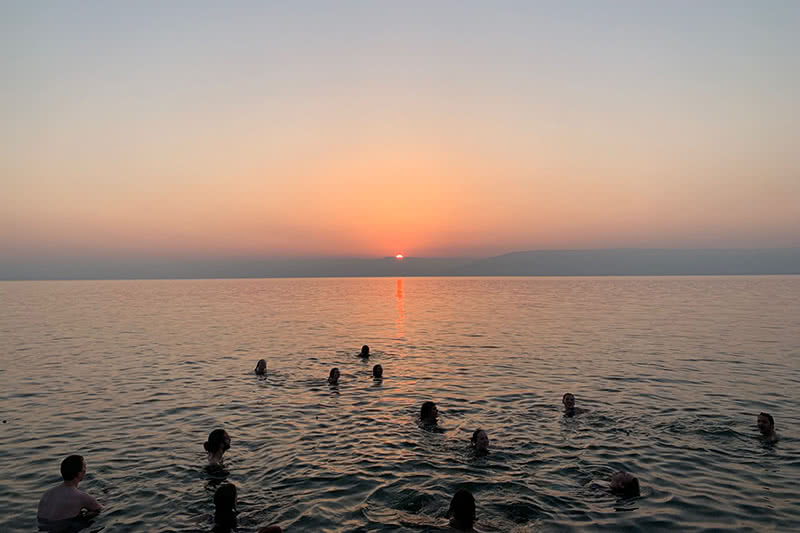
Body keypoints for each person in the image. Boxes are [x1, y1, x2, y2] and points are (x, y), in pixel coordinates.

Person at [37, 455, 103, 530]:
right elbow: (101, 509)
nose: (85, 471)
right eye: (84, 469)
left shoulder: (47, 494)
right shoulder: (81, 497)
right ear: (79, 474)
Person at [212, 483, 282, 533]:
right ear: (233, 502)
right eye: (236, 496)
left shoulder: (208, 517)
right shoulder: (237, 519)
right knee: (276, 529)